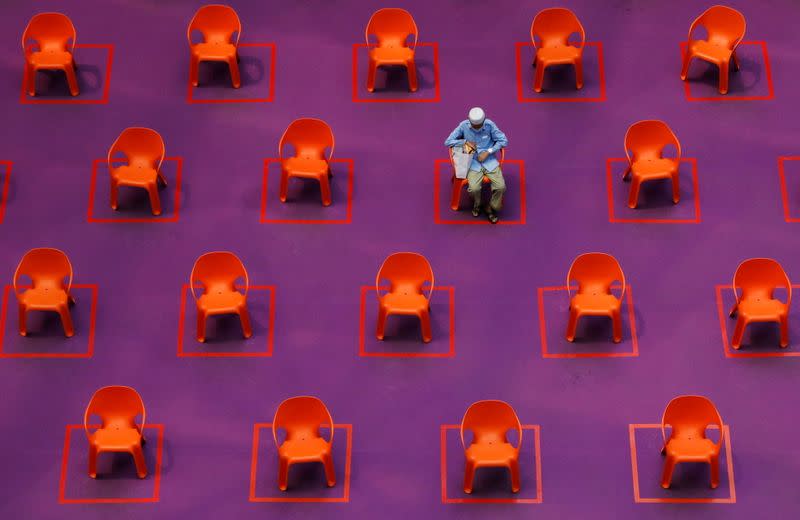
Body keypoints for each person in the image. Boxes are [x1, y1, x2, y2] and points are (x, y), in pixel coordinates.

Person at [444, 107, 508, 223]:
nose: (477, 129)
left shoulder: (490, 125)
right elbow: (448, 141)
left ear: (484, 120)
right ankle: (477, 205)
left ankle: (492, 207)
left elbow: (503, 141)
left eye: (479, 126)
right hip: (472, 162)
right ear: (469, 120)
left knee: (501, 187)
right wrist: (464, 142)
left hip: (490, 161)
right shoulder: (463, 126)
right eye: (474, 126)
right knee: (473, 189)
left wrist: (488, 151)